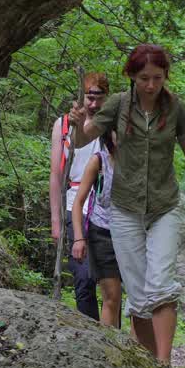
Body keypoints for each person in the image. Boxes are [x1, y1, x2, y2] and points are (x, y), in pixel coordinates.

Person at [71, 44, 185, 364]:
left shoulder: (175, 108)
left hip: (164, 206)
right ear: (131, 77)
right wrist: (76, 123)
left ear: (166, 75)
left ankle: (165, 365)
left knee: (161, 285)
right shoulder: (118, 105)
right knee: (138, 297)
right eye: (143, 78)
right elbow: (83, 139)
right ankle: (151, 364)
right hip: (124, 211)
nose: (151, 85)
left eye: (157, 77)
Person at [50, 73, 107, 320]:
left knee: (108, 282)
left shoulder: (110, 124)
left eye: (99, 97)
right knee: (83, 280)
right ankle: (92, 335)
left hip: (105, 207)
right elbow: (56, 174)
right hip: (74, 206)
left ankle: (112, 339)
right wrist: (55, 222)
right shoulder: (62, 125)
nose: (93, 104)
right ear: (81, 97)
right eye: (89, 97)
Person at [71, 131, 122, 328]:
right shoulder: (98, 161)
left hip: (132, 234)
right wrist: (78, 238)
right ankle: (110, 352)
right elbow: (78, 202)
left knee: (138, 298)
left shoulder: (140, 163)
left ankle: (134, 351)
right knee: (112, 297)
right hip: (102, 233)